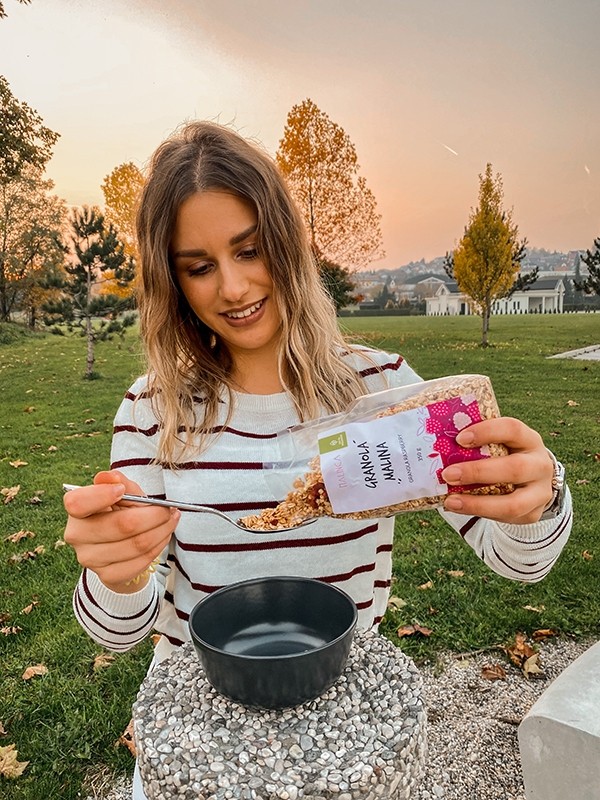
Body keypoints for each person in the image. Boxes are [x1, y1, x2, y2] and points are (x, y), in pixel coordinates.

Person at [63, 121, 572, 799]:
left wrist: (536, 501)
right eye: (200, 265)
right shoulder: (153, 409)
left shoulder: (385, 387)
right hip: (196, 738)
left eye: (250, 250)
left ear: (289, 242)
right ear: (173, 282)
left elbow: (521, 562)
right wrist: (115, 576)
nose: (236, 287)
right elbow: (114, 633)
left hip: (348, 732)